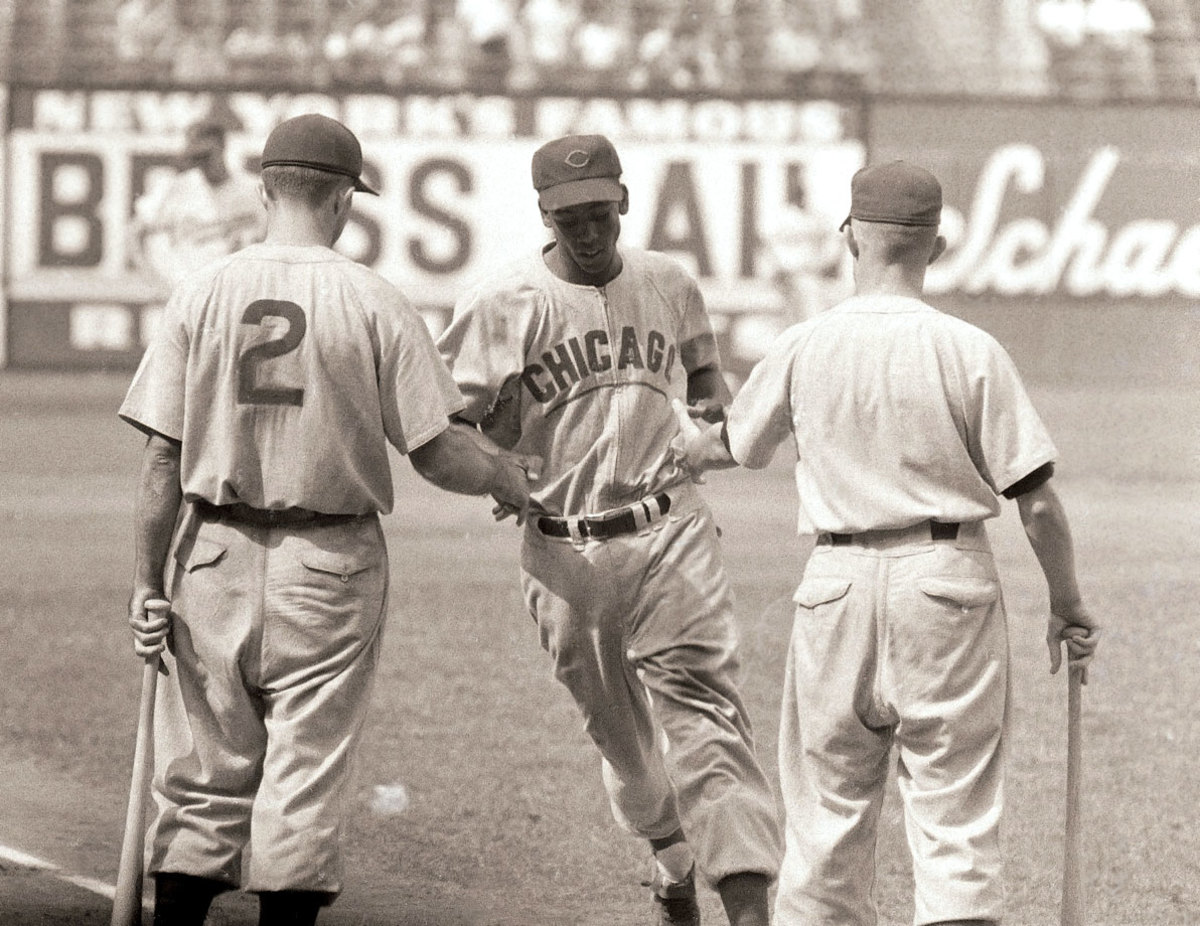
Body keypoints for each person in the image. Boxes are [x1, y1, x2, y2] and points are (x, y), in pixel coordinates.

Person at [119, 113, 536, 926]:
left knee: (201, 781)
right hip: (329, 564)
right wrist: (508, 479)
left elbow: (162, 459)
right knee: (302, 785)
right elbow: (437, 453)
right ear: (345, 199)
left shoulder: (201, 290)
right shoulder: (372, 297)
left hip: (209, 554)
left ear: (265, 188)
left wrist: (145, 581)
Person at [670, 160, 1101, 926]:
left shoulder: (806, 342)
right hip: (947, 582)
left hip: (834, 583)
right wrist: (1065, 603)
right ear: (935, 248)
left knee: (827, 826)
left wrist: (684, 440)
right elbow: (1038, 506)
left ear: (849, 238)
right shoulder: (970, 349)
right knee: (954, 827)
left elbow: (732, 446)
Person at [436, 134, 782, 926]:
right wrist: (496, 456)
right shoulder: (502, 302)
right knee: (626, 749)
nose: (587, 232)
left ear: (623, 201)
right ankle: (671, 860)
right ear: (544, 217)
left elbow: (703, 369)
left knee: (708, 719)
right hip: (564, 552)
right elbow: (451, 424)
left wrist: (708, 403)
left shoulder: (667, 281)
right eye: (568, 218)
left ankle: (750, 907)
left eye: (598, 212)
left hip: (672, 530)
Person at [128, 115, 266, 289]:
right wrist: (154, 281)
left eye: (206, 155)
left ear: (222, 146)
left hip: (241, 292)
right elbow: (135, 232)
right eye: (195, 157)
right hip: (195, 293)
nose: (202, 163)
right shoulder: (177, 188)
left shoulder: (254, 189)